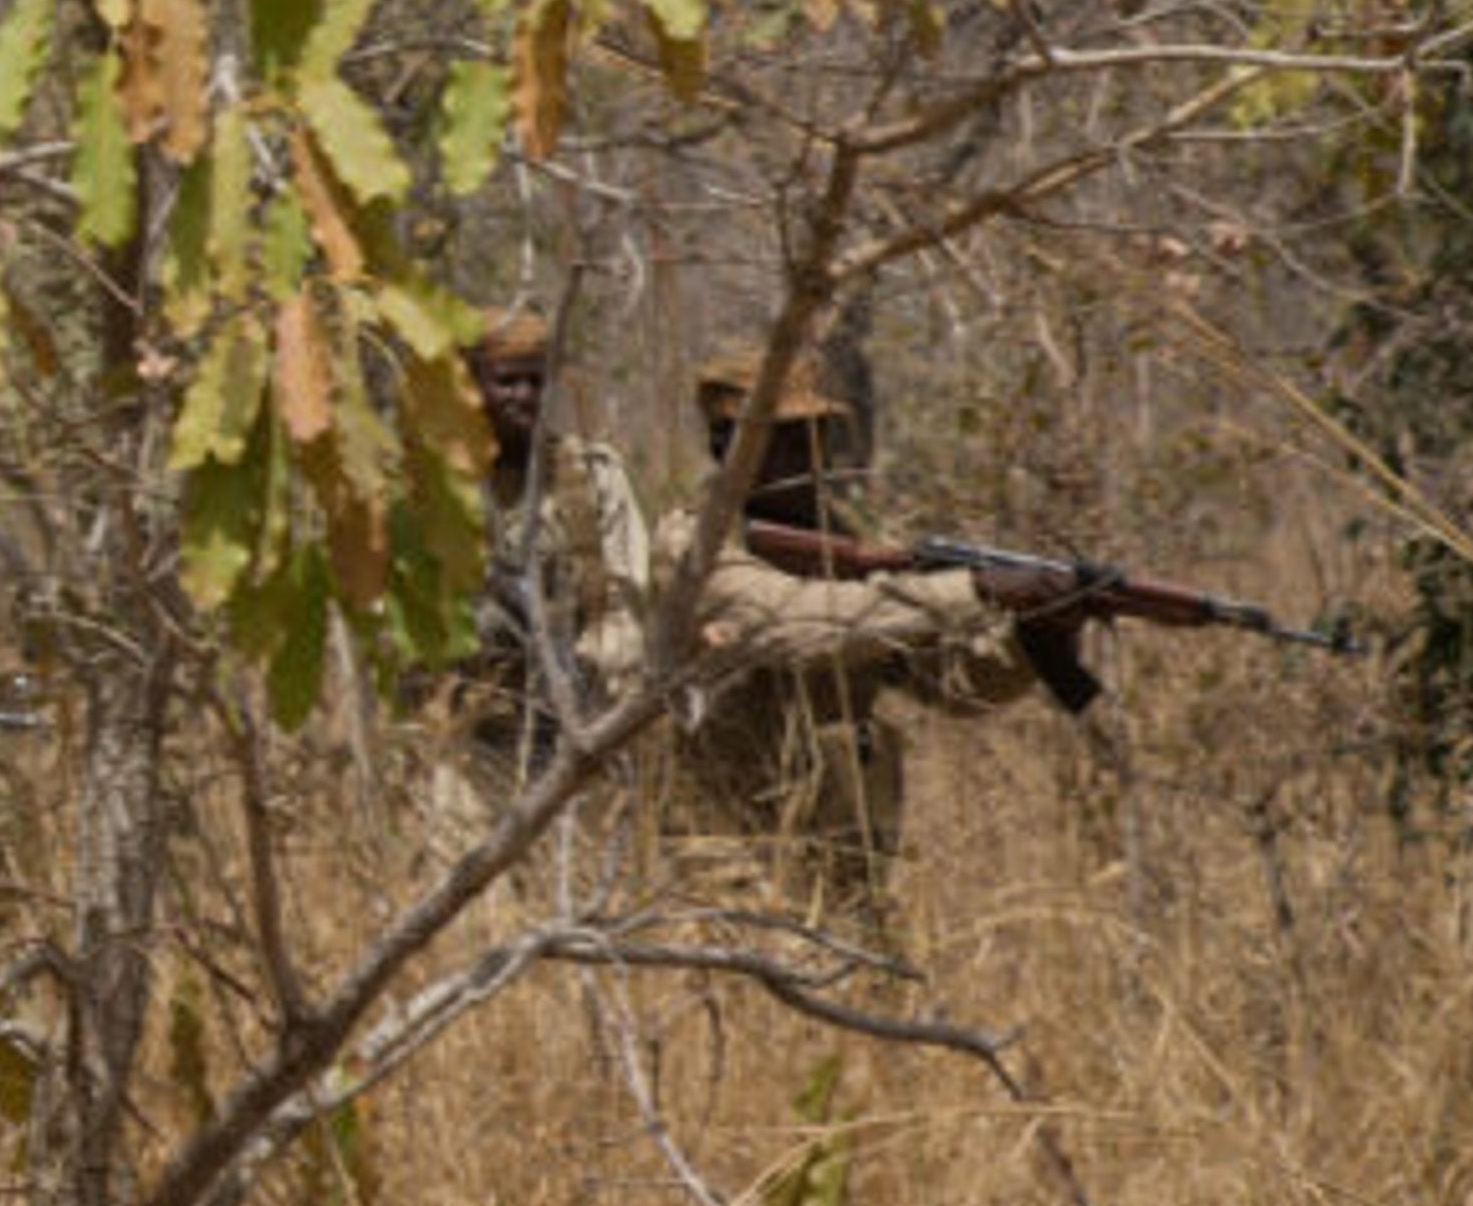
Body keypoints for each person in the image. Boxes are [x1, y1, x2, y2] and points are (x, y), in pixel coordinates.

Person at [652, 340, 1085, 927]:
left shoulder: (852, 548)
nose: (804, 457)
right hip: (724, 854)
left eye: (812, 437)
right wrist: (971, 590)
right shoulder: (692, 545)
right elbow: (794, 624)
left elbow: (958, 687)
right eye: (778, 441)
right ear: (726, 447)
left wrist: (1040, 631)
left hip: (843, 863)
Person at [410, 310, 652, 845]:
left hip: (574, 727)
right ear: (472, 387)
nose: (524, 396)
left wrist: (587, 673)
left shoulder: (590, 478)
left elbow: (623, 603)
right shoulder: (432, 489)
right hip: (469, 739)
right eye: (507, 382)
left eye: (537, 381)